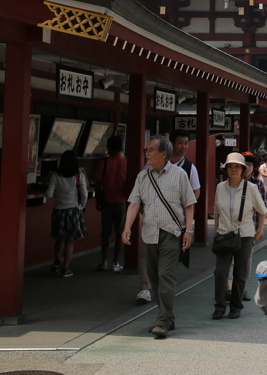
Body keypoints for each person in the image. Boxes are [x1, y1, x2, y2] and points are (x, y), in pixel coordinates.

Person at [122, 135, 196, 339]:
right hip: (149, 234)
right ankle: (168, 317)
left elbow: (189, 204)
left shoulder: (179, 175)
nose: (147, 153)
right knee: (154, 279)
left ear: (164, 154)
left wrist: (188, 230)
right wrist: (127, 227)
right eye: (146, 149)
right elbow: (134, 203)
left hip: (171, 233)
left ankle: (162, 321)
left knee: (166, 278)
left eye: (151, 150)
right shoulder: (142, 177)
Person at [212, 152, 266, 320]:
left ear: (243, 170)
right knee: (220, 272)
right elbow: (217, 212)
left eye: (237, 166)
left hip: (245, 235)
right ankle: (219, 306)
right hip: (224, 234)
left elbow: (262, 211)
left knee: (240, 273)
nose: (233, 169)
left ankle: (236, 306)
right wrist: (216, 231)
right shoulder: (220, 187)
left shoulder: (251, 188)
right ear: (226, 169)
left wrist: (259, 231)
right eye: (230, 166)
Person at [45, 150, 89, 278]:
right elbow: (85, 194)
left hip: (58, 210)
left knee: (59, 238)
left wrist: (58, 196)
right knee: (70, 241)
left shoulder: (55, 176)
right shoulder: (78, 176)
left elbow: (48, 194)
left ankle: (56, 263)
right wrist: (81, 206)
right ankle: (65, 268)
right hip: (73, 210)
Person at [95, 136, 127, 272]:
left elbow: (97, 183)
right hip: (121, 202)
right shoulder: (126, 163)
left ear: (109, 148)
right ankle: (115, 262)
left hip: (107, 202)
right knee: (120, 233)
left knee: (105, 234)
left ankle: (104, 261)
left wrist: (98, 200)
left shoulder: (104, 163)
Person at [169, 130, 201, 200]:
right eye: (180, 143)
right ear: (172, 143)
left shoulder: (190, 167)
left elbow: (196, 191)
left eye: (186, 143)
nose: (183, 147)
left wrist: (186, 206)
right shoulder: (159, 163)